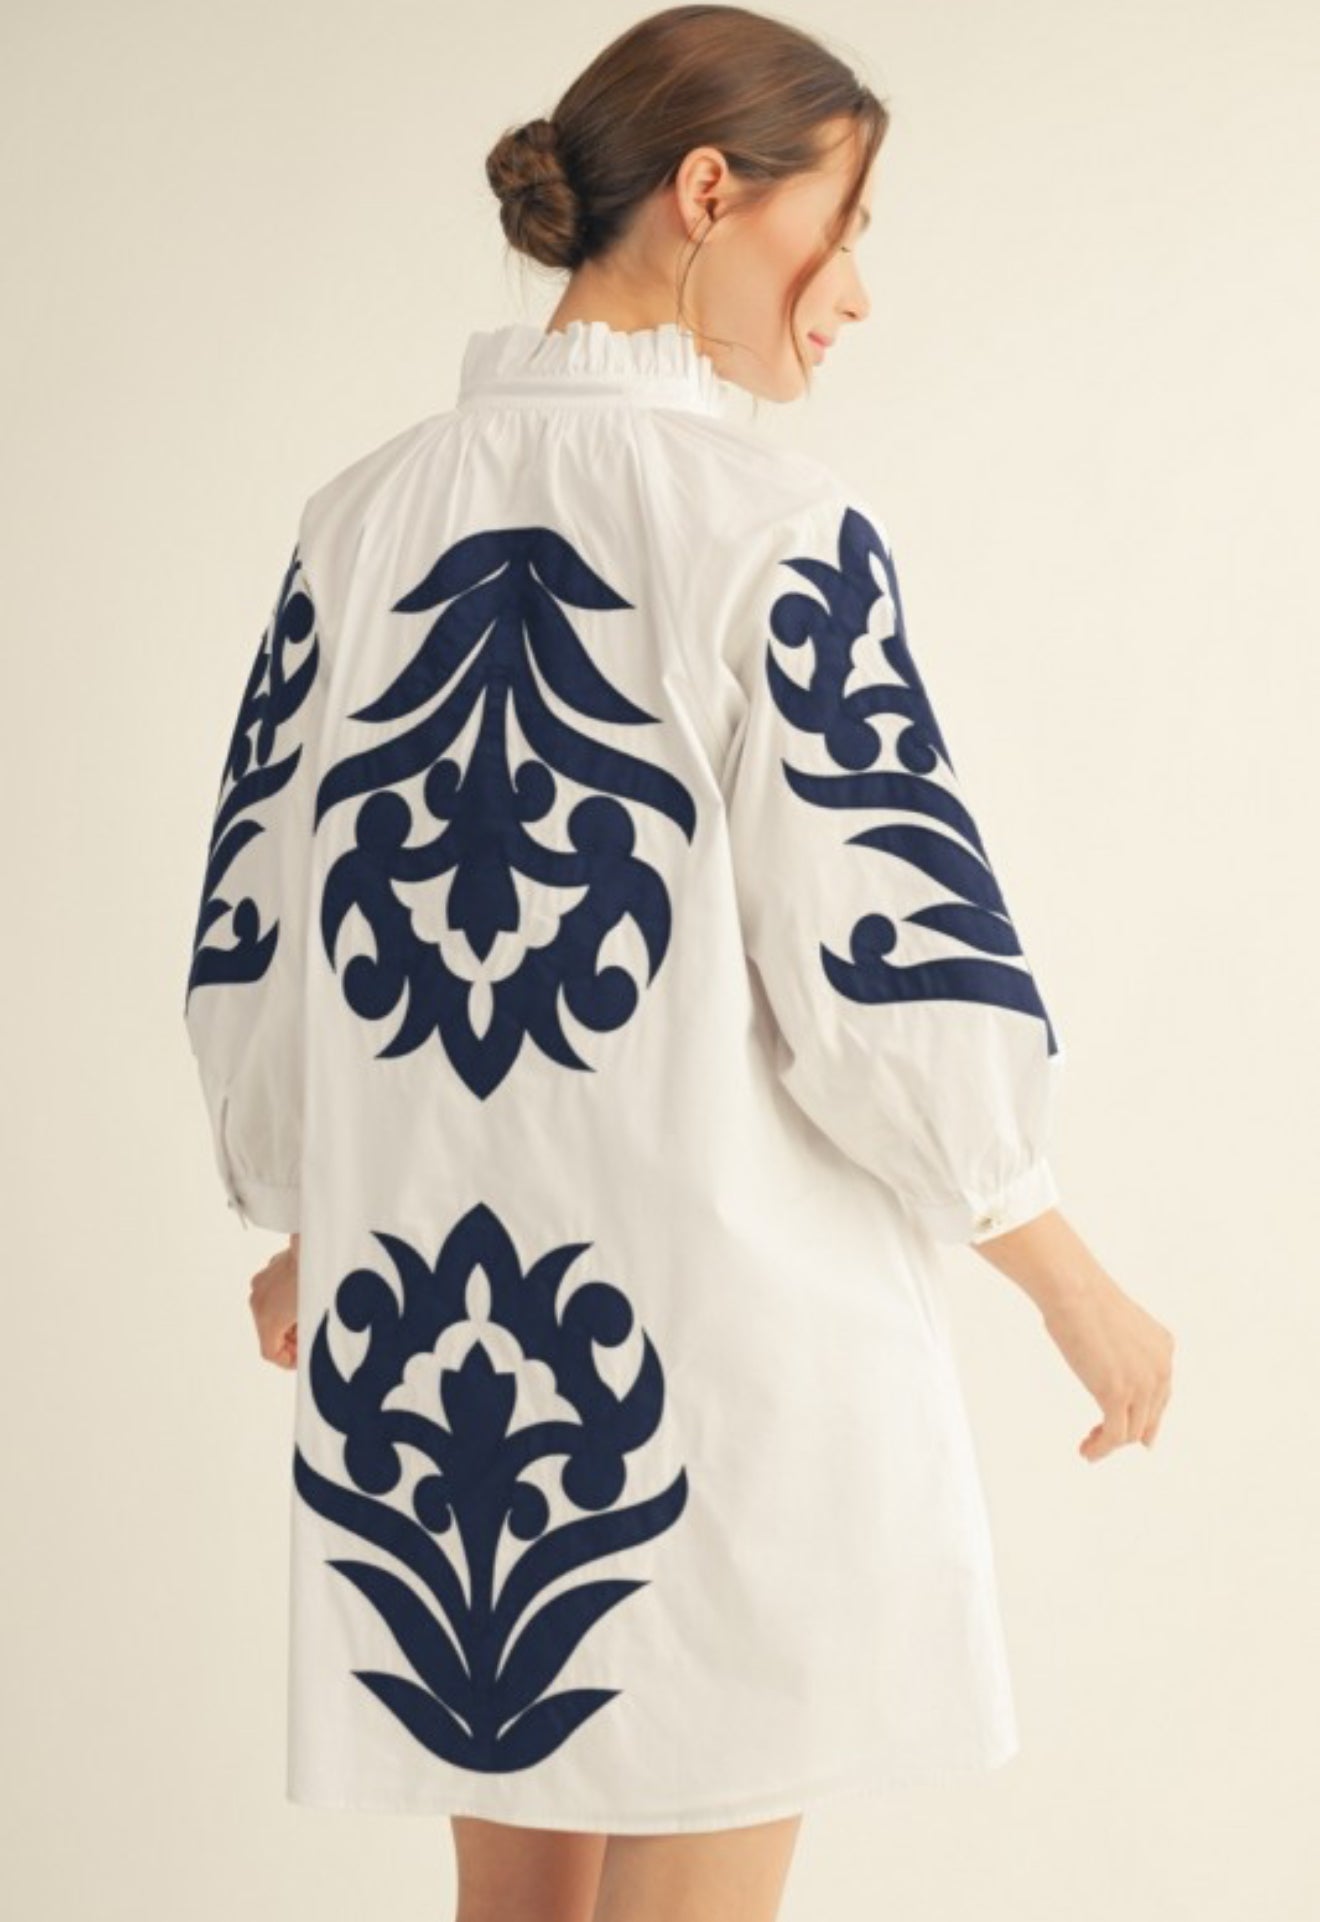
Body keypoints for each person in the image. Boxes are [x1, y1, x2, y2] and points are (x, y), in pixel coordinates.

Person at [187, 7, 1175, 1919]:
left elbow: (268, 922)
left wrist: (316, 1197)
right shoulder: (776, 529)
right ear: (711, 192)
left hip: (458, 1386)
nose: (858, 289)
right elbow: (887, 972)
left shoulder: (354, 521)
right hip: (728, 1373)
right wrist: (1071, 1275)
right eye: (846, 224)